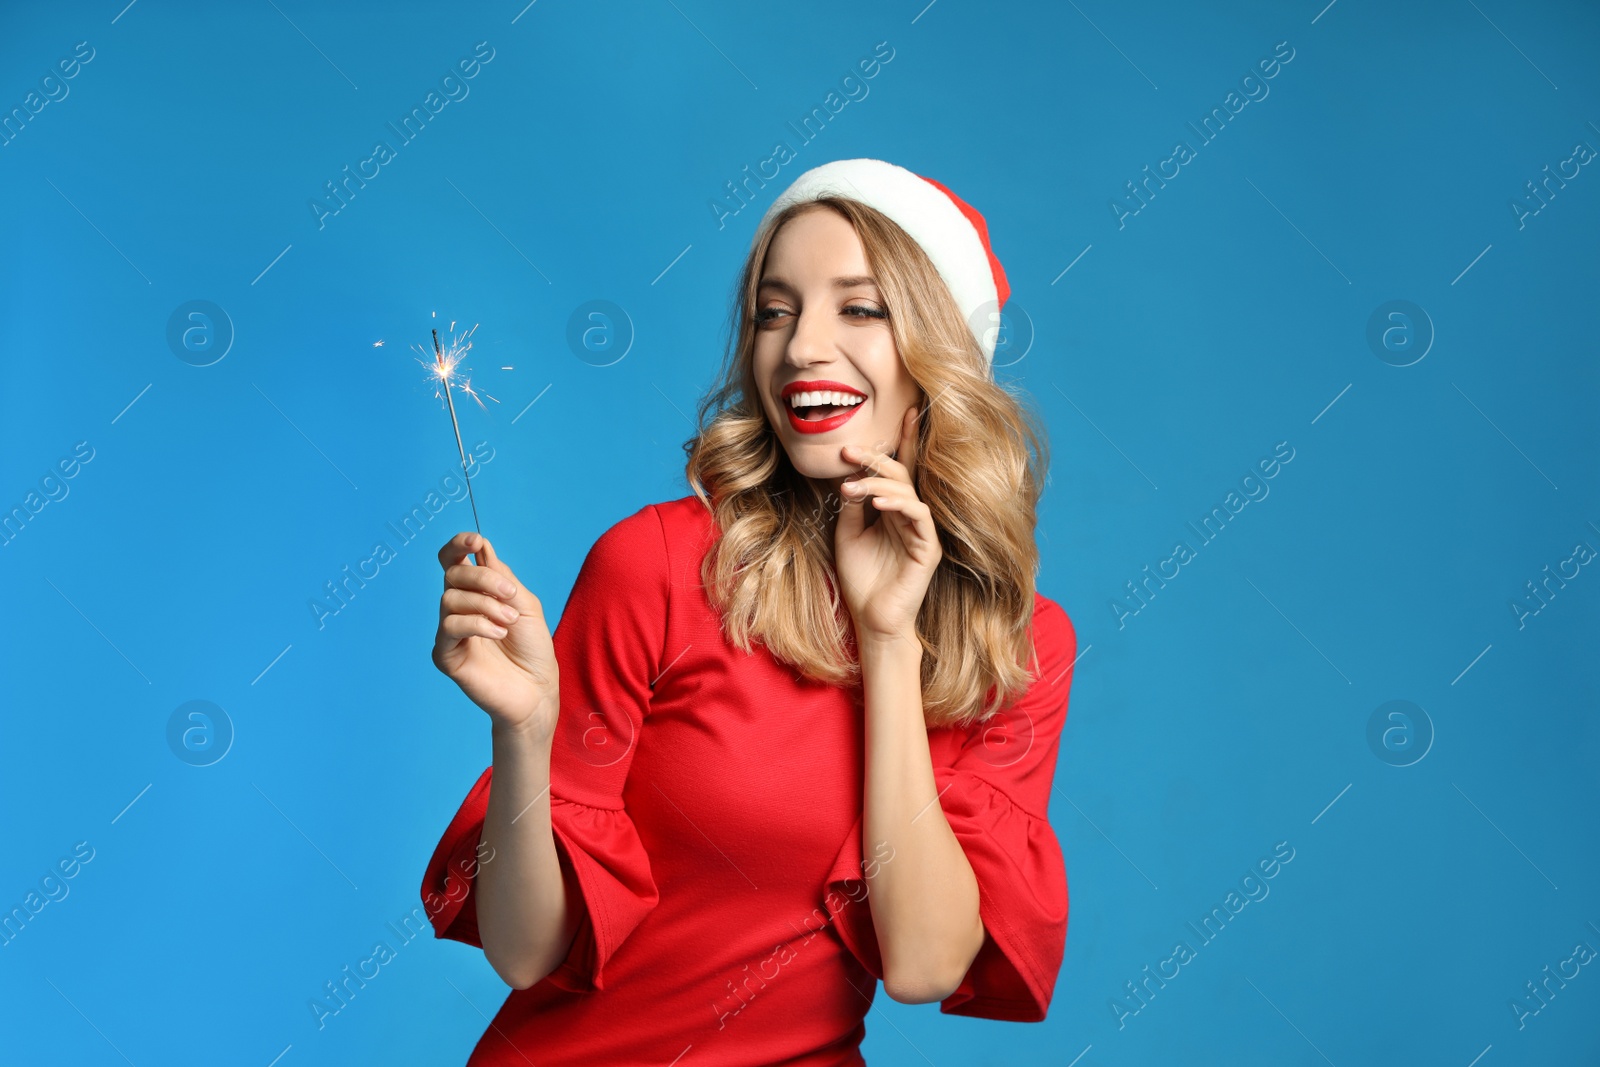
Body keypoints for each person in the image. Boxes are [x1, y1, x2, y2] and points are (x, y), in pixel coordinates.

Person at [422, 158, 1078, 1066]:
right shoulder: (654, 565)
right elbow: (526, 954)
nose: (802, 347)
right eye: (776, 311)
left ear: (941, 356)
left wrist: (887, 640)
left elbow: (924, 963)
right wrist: (526, 731)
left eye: (860, 307)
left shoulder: (1021, 643)